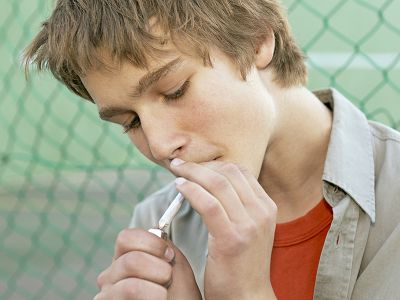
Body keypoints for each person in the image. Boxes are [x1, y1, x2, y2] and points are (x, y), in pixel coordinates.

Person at [23, 0, 400, 299]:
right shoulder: (158, 227)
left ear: (257, 39)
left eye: (174, 91)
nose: (159, 145)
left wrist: (245, 294)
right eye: (131, 122)